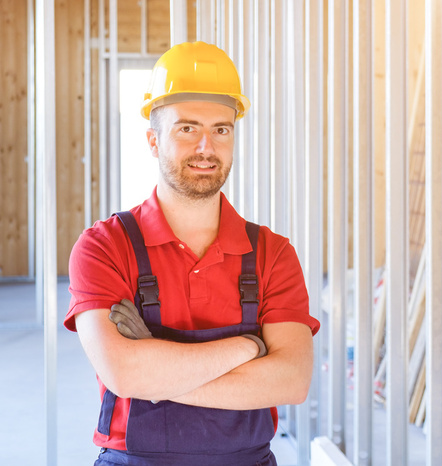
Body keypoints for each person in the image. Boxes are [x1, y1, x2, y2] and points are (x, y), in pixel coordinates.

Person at [65, 41, 320, 466]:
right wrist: (247, 347)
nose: (206, 147)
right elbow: (123, 374)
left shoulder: (273, 254)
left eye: (221, 129)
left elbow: (291, 381)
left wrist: (155, 373)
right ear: (153, 140)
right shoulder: (104, 247)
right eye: (187, 128)